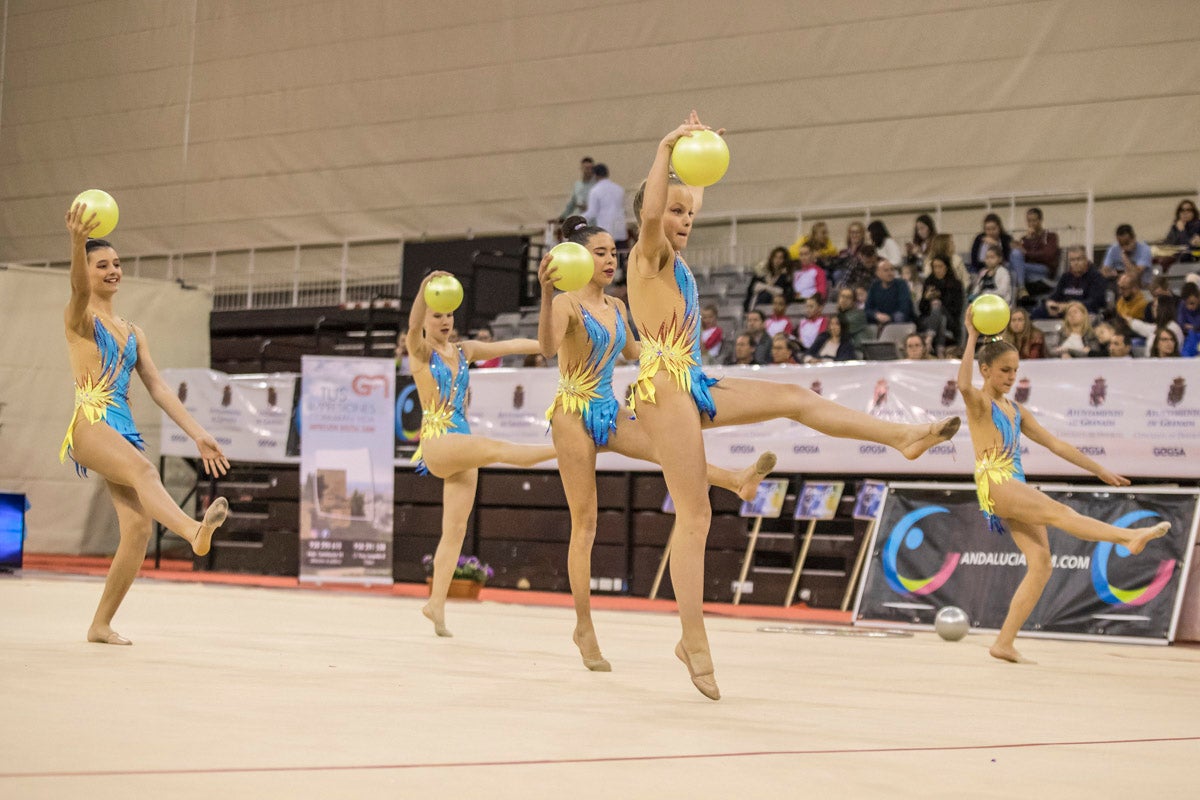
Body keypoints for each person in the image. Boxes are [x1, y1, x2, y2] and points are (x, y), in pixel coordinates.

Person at [625, 112, 960, 699]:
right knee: (696, 515)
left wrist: (701, 155)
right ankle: (691, 638)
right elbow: (654, 211)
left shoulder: (675, 256)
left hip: (690, 382)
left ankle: (901, 437)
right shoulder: (647, 252)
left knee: (794, 397)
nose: (683, 219)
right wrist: (664, 150)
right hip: (661, 388)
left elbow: (687, 193)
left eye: (690, 214)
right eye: (676, 211)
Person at [539, 216, 775, 671]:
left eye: (613, 252)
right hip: (572, 411)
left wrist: (675, 349)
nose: (610, 260)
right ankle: (583, 626)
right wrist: (547, 293)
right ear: (578, 258)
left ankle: (737, 481)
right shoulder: (568, 304)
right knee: (585, 525)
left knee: (672, 455)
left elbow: (636, 352)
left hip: (606, 408)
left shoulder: (617, 307)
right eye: (600, 253)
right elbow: (547, 348)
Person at [60, 203, 231, 646]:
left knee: (136, 529)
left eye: (117, 263)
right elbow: (78, 290)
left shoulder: (133, 331)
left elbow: (157, 387)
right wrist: (77, 243)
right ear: (86, 270)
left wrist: (198, 433)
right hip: (91, 421)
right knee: (144, 471)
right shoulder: (81, 319)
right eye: (102, 265)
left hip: (123, 427)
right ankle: (194, 532)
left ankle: (100, 624)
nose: (113, 270)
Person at [957, 307, 1169, 664]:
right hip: (995, 480)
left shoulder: (1015, 410)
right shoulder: (980, 402)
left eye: (1015, 371)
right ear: (986, 370)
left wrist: (1098, 469)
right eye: (1004, 370)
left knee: (1041, 563)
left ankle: (1004, 643)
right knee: (1059, 512)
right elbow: (962, 385)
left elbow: (1057, 445)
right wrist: (972, 335)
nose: (1011, 377)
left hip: (1013, 480)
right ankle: (1127, 537)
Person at [406, 271, 559, 638]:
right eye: (436, 315)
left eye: (448, 315)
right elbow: (411, 327)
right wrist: (424, 287)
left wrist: (546, 343)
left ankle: (436, 606)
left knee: (455, 530)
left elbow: (509, 346)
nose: (444, 321)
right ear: (426, 318)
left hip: (461, 439)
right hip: (439, 441)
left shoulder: (464, 351)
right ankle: (565, 449)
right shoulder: (420, 351)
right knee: (497, 448)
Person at [1034, 246, 1106, 319]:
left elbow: (1093, 303)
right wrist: (1049, 303)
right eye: (1072, 260)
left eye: (1079, 259)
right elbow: (1055, 295)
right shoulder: (1066, 276)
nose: (1075, 263)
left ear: (1086, 260)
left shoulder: (1096, 277)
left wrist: (1068, 306)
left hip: (1083, 311)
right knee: (1038, 312)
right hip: (1063, 310)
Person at [918, 255, 964, 352]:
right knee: (941, 319)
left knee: (937, 304)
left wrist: (941, 298)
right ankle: (940, 352)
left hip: (951, 319)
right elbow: (922, 309)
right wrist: (925, 298)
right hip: (929, 319)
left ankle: (929, 338)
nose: (937, 270)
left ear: (946, 267)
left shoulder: (955, 284)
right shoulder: (929, 282)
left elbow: (956, 309)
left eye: (940, 266)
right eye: (935, 267)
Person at [1008, 207, 1060, 291]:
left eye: (1034, 220)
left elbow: (1048, 255)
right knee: (1014, 255)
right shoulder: (1025, 238)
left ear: (1040, 220)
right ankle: (1022, 288)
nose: (1031, 224)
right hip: (1027, 270)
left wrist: (1026, 252)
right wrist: (1027, 240)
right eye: (1029, 221)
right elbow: (1020, 257)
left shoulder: (1050, 236)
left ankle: (1020, 288)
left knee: (1012, 269)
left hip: (1043, 269)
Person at [864, 258, 914, 325]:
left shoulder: (901, 284)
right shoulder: (874, 286)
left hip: (899, 323)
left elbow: (905, 308)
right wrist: (875, 315)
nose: (890, 273)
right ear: (877, 273)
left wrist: (890, 317)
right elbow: (867, 309)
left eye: (892, 270)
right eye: (886, 270)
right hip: (878, 323)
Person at [743, 246, 792, 311]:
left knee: (767, 295)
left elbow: (782, 293)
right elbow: (753, 289)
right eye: (775, 257)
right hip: (756, 304)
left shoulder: (786, 277)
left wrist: (765, 287)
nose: (777, 260)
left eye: (781, 258)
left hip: (774, 307)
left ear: (785, 260)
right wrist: (770, 288)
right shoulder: (761, 274)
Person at [1163, 199, 1200, 264]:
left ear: (1194, 213)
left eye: (1188, 210)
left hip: (1191, 261)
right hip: (1175, 261)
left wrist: (1182, 231)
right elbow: (1168, 244)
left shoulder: (1197, 226)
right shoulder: (1175, 227)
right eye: (1182, 210)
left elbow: (1189, 247)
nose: (1185, 213)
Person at [560, 156, 595, 220]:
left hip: (593, 223)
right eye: (586, 168)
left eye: (591, 168)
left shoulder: (597, 186)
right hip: (580, 220)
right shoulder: (577, 185)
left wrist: (589, 208)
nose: (588, 171)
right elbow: (572, 203)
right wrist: (562, 217)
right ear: (581, 168)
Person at [835, 286, 868, 355]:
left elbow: (841, 329)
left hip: (854, 350)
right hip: (839, 348)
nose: (844, 300)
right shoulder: (838, 315)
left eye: (848, 298)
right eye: (842, 296)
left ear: (854, 302)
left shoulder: (859, 315)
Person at [1176, 283, 1199, 356]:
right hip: (1188, 337)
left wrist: (1193, 327)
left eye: (1192, 303)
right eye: (1186, 304)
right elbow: (1180, 323)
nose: (1189, 307)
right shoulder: (1182, 304)